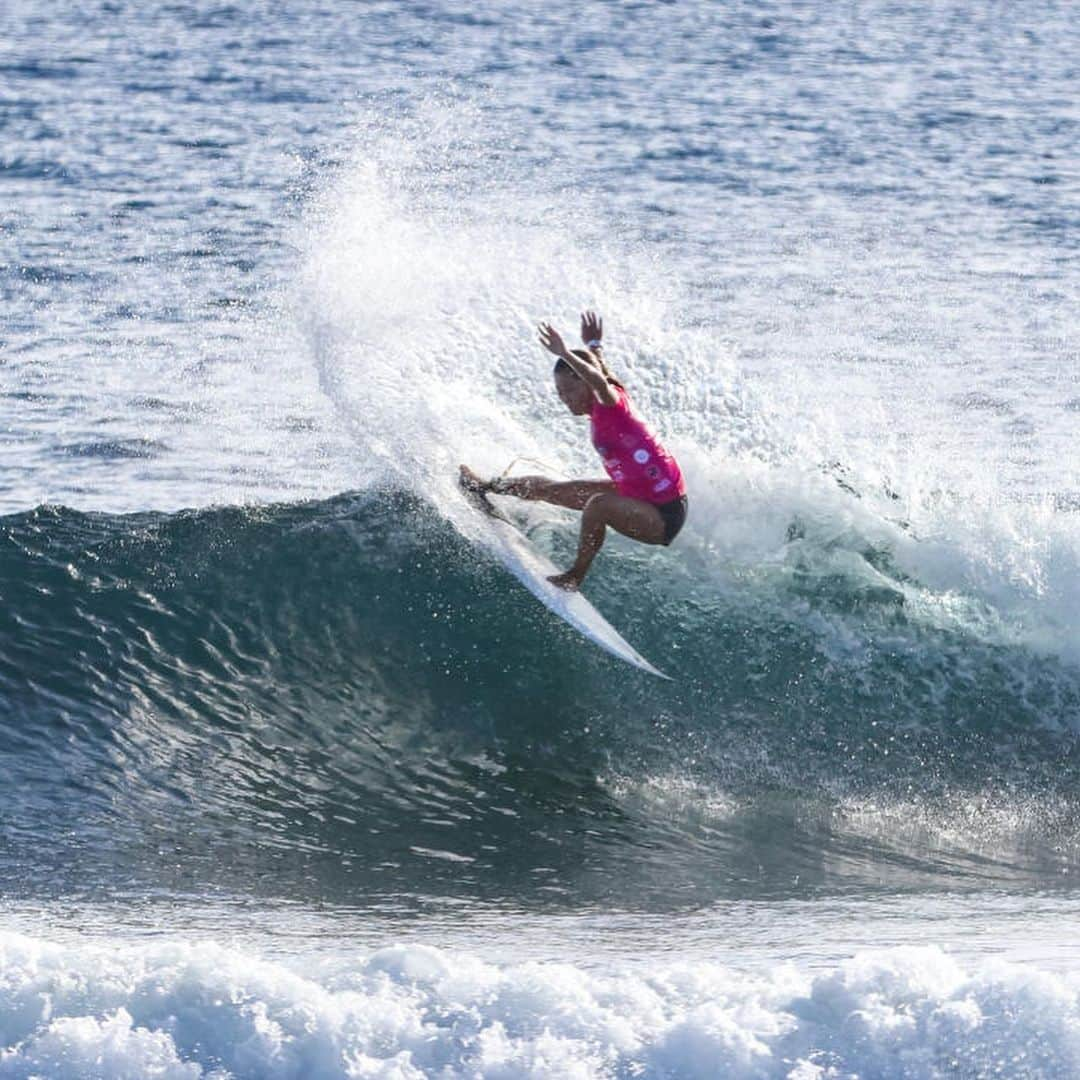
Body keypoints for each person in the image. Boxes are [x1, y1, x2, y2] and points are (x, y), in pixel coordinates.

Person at [460, 311, 687, 590]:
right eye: (560, 394)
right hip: (638, 492)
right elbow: (602, 372)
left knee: (597, 505)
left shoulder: (611, 406)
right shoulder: (606, 396)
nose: (565, 400)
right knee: (555, 490)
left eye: (569, 391)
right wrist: (593, 346)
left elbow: (599, 382)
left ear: (586, 385)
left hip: (663, 514)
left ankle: (574, 577)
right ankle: (486, 486)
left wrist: (565, 351)